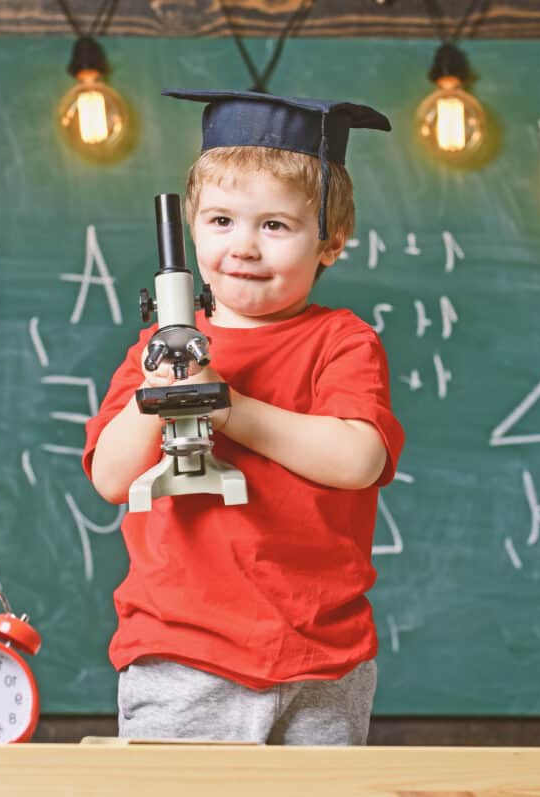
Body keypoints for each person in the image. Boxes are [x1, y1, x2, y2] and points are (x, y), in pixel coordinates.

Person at [81, 90, 406, 745]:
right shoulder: (158, 348)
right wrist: (160, 388)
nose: (244, 247)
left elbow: (359, 457)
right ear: (192, 227)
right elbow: (113, 478)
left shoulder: (343, 342)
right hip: (180, 652)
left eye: (275, 226)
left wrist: (226, 406)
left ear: (331, 242)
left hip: (320, 658)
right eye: (222, 221)